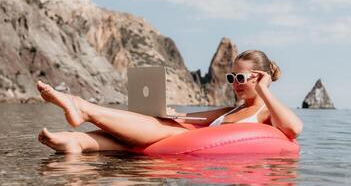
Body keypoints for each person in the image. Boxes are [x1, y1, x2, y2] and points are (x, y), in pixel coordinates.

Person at [38, 50, 303, 153]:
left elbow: (293, 129)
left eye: (240, 77)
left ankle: (82, 107)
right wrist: (173, 115)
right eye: (231, 76)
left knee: (159, 128)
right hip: (184, 143)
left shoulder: (265, 112)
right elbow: (195, 120)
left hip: (188, 151)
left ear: (259, 77)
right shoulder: (234, 109)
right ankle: (77, 141)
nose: (234, 82)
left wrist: (265, 87)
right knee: (161, 122)